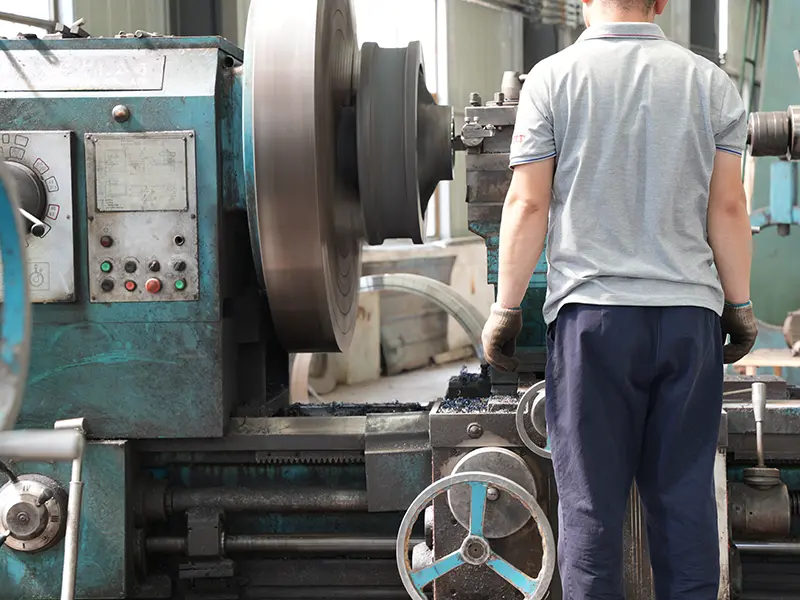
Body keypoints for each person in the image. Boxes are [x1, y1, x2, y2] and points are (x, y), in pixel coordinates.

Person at [480, 0, 758, 598]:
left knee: (591, 509)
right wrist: (739, 305)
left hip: (593, 325)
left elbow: (527, 204)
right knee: (685, 500)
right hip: (689, 323)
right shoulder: (710, 83)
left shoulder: (552, 79)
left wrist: (505, 309)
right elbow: (729, 208)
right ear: (660, 3)